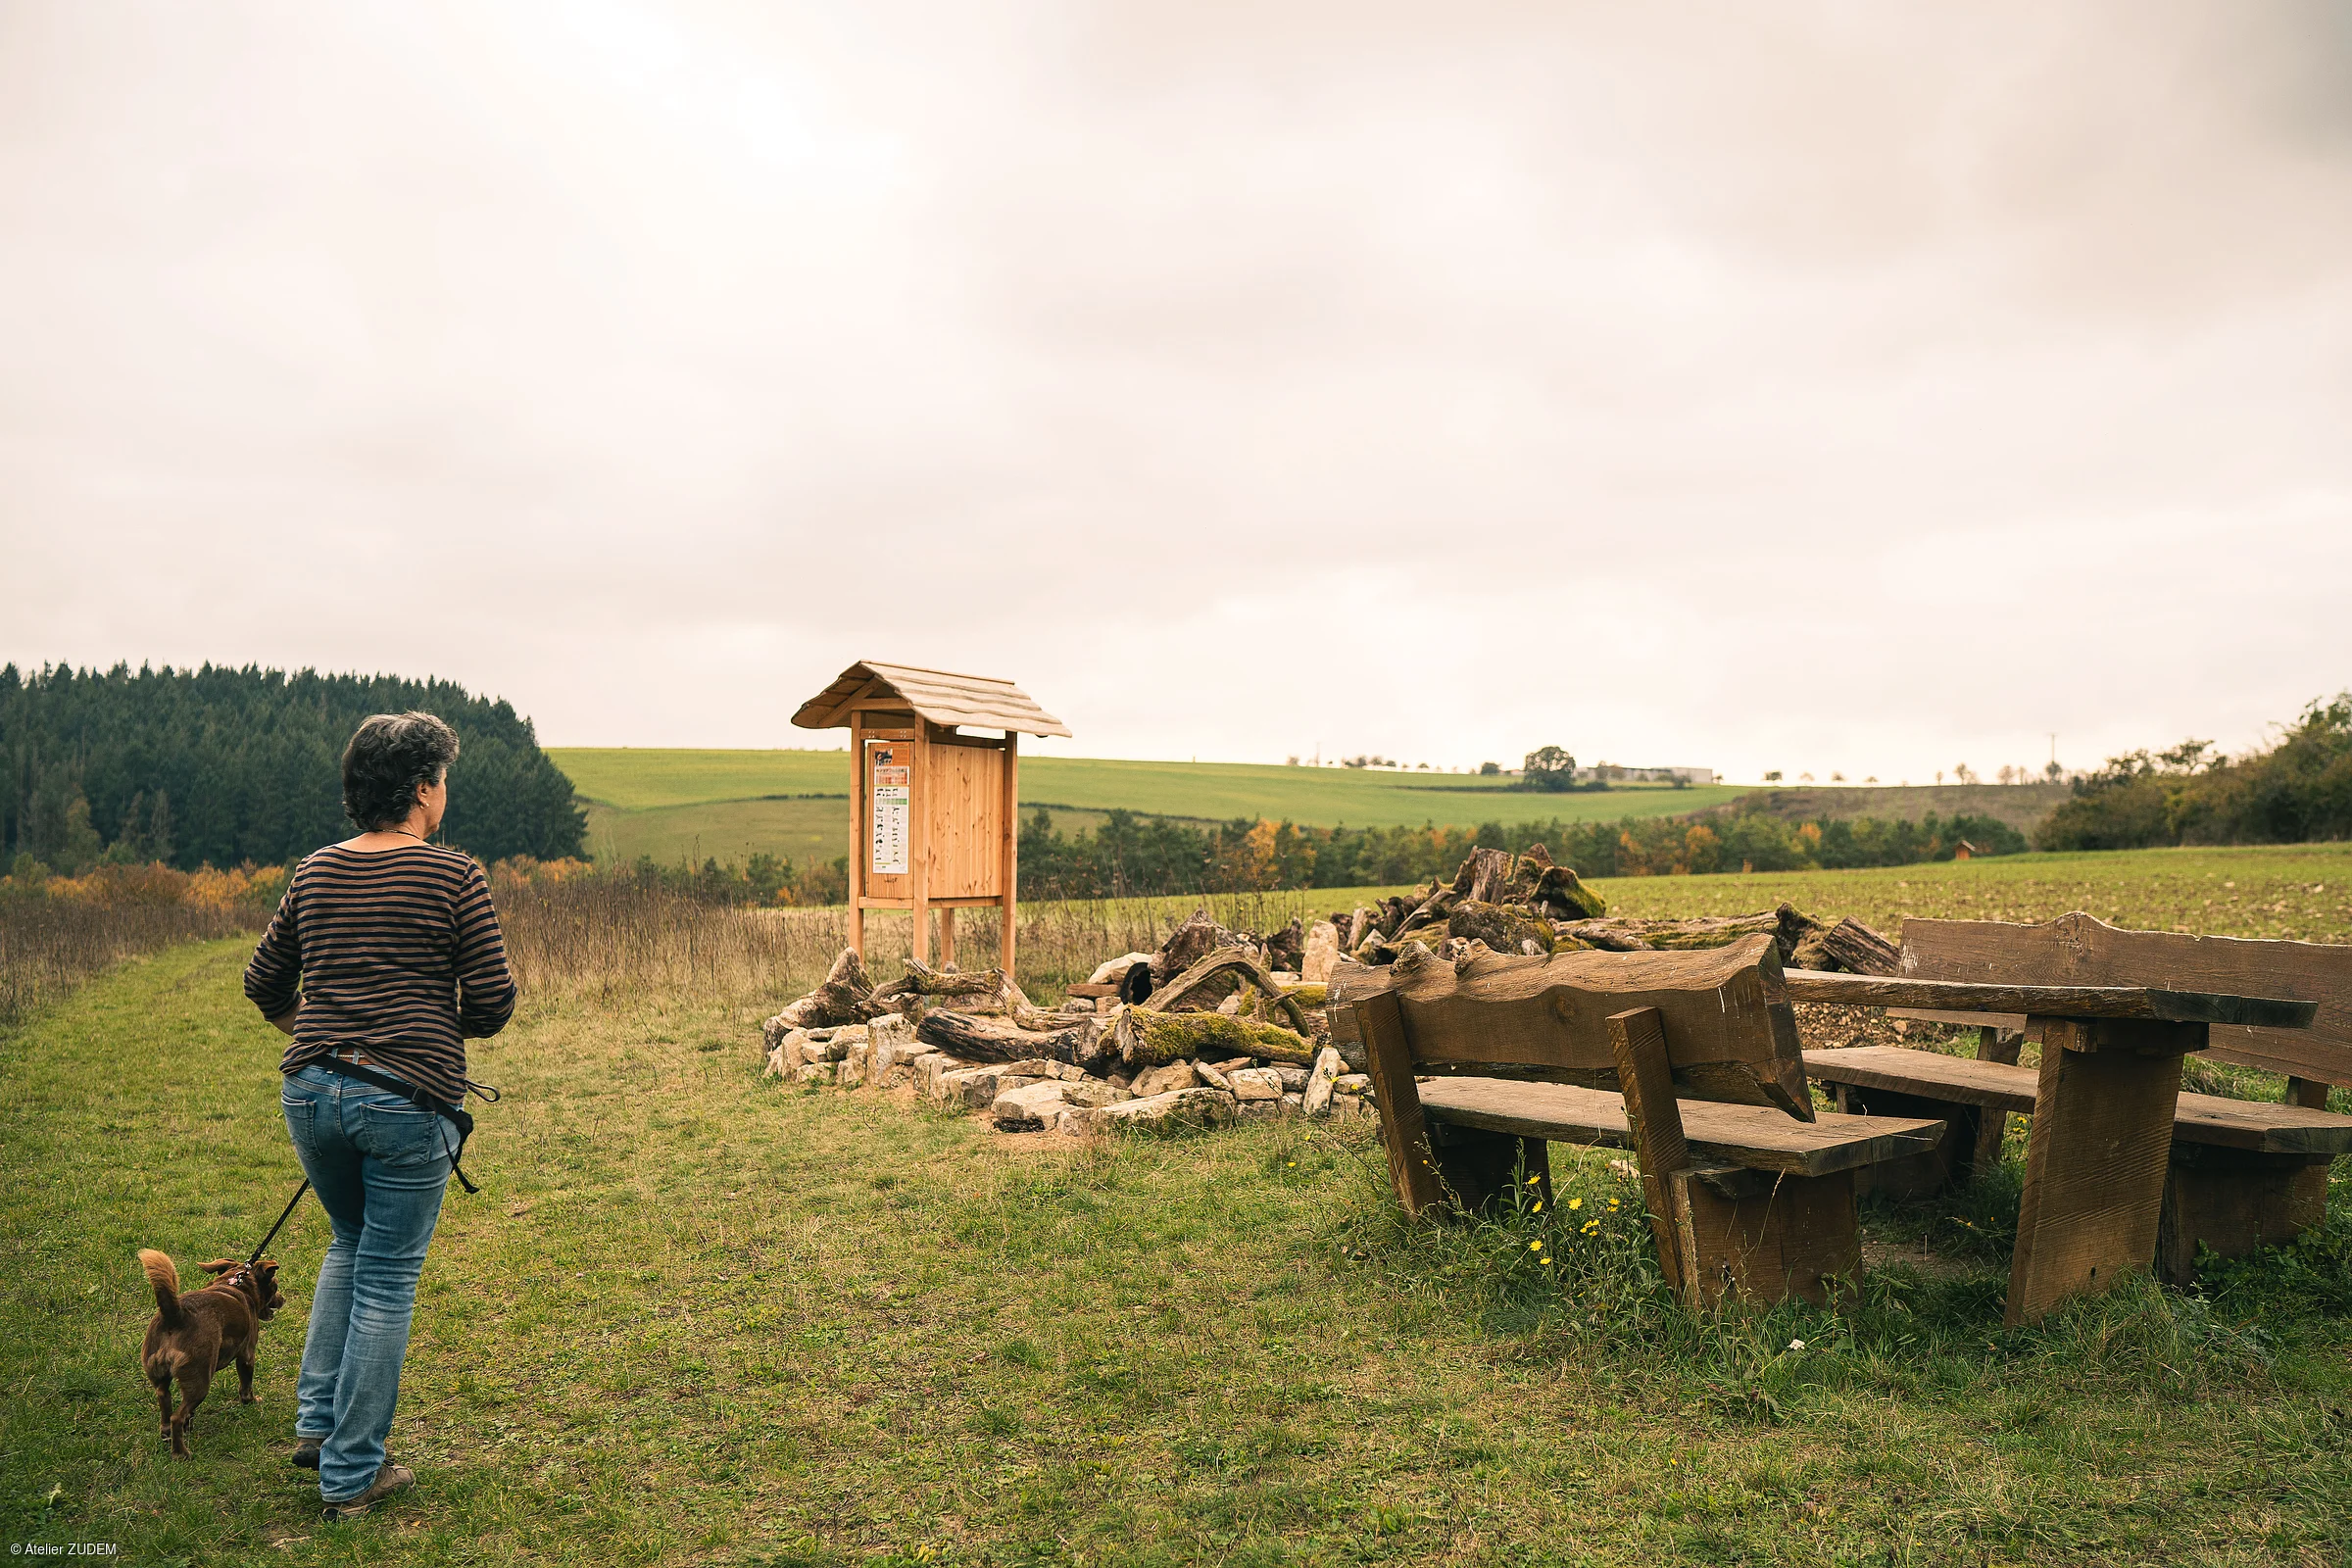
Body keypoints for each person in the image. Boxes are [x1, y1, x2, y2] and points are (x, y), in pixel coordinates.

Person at [243, 711, 516, 1520]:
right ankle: (351, 1472)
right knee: (387, 1280)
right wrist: (418, 1033)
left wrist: (333, 1036)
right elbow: (495, 1002)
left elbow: (264, 984)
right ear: (424, 789)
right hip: (406, 1103)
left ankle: (318, 1426)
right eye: (443, 781)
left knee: (349, 1242)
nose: (445, 794)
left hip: (311, 1091)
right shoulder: (452, 875)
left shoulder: (315, 871)